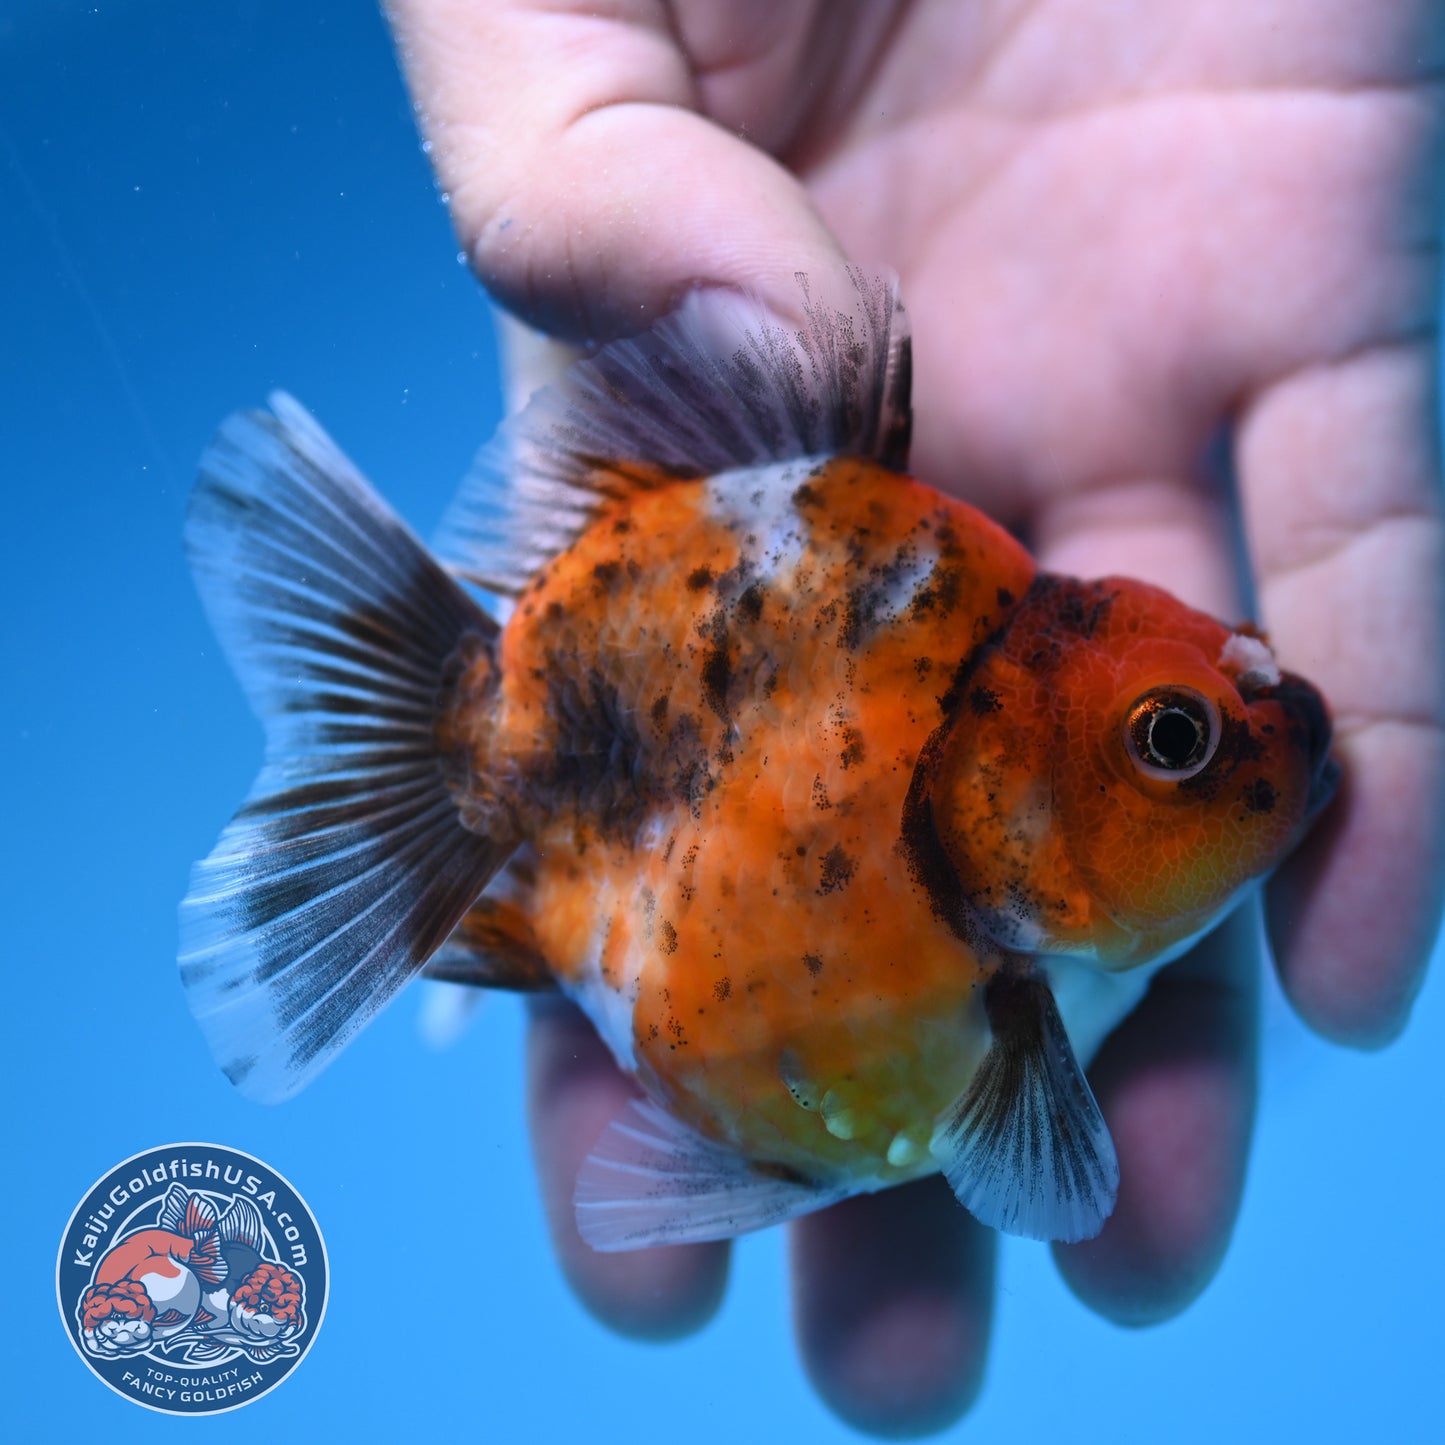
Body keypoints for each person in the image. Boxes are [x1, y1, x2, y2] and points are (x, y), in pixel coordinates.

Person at [384, 2, 1445, 1435]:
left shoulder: (1018, 940)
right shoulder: (1012, 990)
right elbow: (1031, 1169)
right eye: (1171, 744)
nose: (1257, 746)